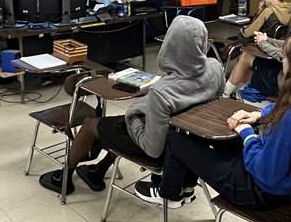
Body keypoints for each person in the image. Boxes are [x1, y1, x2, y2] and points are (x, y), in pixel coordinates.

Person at [137, 32, 291, 209]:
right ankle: (186, 186)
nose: (281, 62)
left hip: (258, 191)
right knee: (210, 140)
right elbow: (282, 106)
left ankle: (169, 194)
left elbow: (266, 172)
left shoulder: (290, 120)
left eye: (283, 58)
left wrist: (247, 134)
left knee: (177, 140)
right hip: (287, 183)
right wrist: (258, 115)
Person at [38, 15, 223, 195]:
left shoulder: (161, 93)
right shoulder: (215, 67)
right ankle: (98, 171)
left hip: (160, 148)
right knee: (114, 126)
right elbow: (215, 102)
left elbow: (152, 150)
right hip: (186, 143)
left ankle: (64, 178)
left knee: (90, 123)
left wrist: (132, 119)